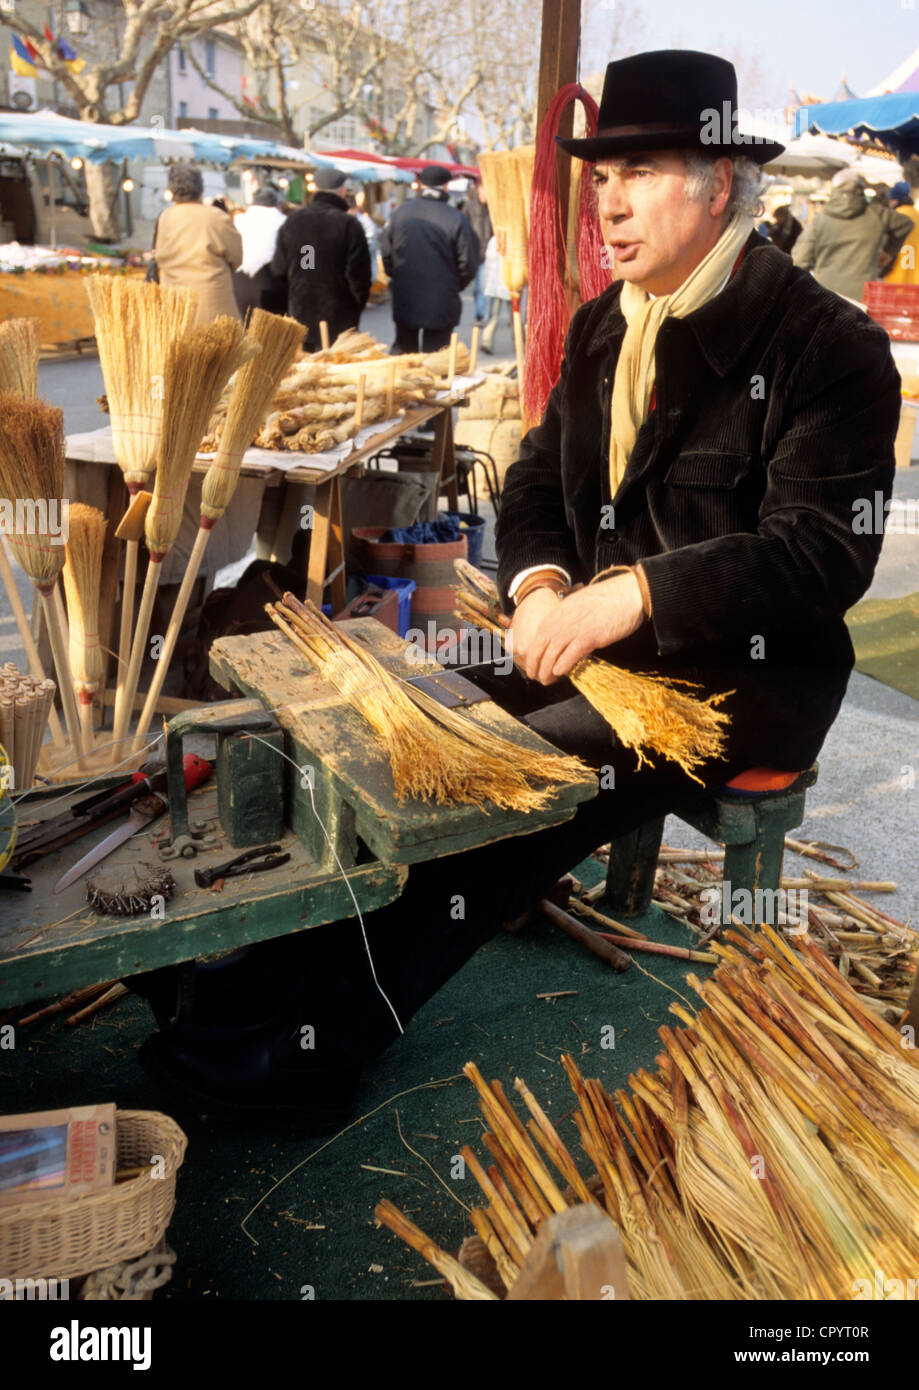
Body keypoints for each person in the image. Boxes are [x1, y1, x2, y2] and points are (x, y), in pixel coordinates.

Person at [131, 50, 901, 1125]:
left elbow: (821, 553)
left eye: (637, 173)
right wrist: (539, 582)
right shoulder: (601, 325)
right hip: (582, 638)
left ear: (717, 182)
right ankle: (250, 986)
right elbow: (536, 482)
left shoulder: (828, 346)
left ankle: (314, 1054)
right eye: (599, 182)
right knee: (410, 714)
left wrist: (628, 596)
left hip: (738, 676)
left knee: (505, 782)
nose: (610, 206)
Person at [379, 165, 479, 354]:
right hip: (441, 298)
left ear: (420, 185)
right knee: (437, 360)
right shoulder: (456, 218)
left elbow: (386, 253)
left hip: (406, 294)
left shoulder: (400, 213)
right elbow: (469, 261)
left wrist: (398, 277)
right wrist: (453, 284)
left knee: (404, 359)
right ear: (446, 186)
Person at [270, 167, 371, 350]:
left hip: (301, 310)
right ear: (342, 190)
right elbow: (358, 275)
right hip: (340, 312)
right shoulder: (348, 225)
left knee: (307, 369)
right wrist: (358, 303)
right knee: (338, 369)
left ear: (315, 188)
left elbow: (279, 269)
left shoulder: (294, 221)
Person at [792, 168, 913, 302]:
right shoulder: (877, 214)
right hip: (862, 298)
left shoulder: (819, 221)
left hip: (824, 297)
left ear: (835, 189)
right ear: (860, 188)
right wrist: (889, 251)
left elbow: (800, 261)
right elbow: (906, 224)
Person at [153, 163, 243, 326]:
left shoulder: (166, 217)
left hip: (176, 310)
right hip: (215, 309)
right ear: (200, 188)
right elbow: (236, 257)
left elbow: (159, 256)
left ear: (172, 190)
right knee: (223, 350)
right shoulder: (217, 217)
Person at [232, 188, 288, 318]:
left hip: (239, 283)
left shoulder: (238, 221)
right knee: (271, 334)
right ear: (276, 204)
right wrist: (309, 266)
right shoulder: (284, 222)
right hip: (274, 283)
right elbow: (305, 250)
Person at [479, 232, 513, 353]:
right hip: (511, 285)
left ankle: (486, 342)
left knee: (493, 316)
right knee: (514, 318)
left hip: (495, 286)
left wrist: (487, 284)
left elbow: (488, 264)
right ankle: (519, 344)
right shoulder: (514, 240)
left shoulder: (493, 241)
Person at [465, 180, 493, 324]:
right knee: (478, 287)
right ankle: (481, 312)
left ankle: (483, 315)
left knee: (485, 285)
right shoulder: (470, 206)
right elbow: (464, 226)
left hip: (490, 252)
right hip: (475, 252)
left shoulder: (494, 206)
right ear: (479, 189)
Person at [882, 180, 919, 284]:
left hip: (894, 277)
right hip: (915, 282)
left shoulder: (894, 217)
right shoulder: (917, 215)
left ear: (895, 200)